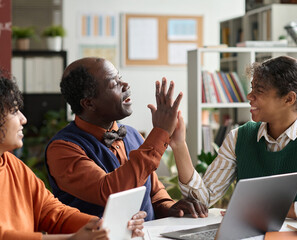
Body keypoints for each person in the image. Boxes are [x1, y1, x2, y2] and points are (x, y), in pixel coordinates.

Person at [170, 56, 297, 222]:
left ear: (288, 99)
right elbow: (201, 201)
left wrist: (270, 209)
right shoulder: (239, 137)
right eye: (252, 88)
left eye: (259, 90)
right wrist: (179, 145)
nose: (249, 96)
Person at [45, 57, 207, 221]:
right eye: (113, 84)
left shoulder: (133, 134)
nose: (125, 85)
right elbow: (110, 191)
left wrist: (169, 207)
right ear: (88, 103)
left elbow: (154, 191)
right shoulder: (62, 148)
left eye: (120, 78)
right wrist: (161, 132)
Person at [0, 73, 146, 239]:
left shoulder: (11, 163)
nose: (23, 119)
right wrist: (71, 239)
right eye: (13, 111)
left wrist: (103, 226)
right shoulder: (64, 145)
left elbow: (52, 211)